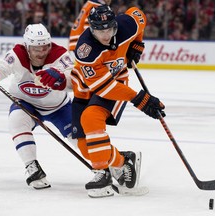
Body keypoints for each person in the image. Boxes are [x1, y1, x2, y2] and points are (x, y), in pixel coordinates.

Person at [70, 5, 165, 197]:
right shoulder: (85, 49)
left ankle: (101, 175)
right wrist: (140, 99)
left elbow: (139, 14)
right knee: (85, 147)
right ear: (91, 29)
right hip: (86, 89)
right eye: (99, 31)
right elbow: (102, 87)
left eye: (109, 30)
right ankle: (124, 162)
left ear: (115, 25)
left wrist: (137, 44)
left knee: (91, 118)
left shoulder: (126, 25)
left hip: (117, 83)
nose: (105, 36)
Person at [0, 23, 75, 189]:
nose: (41, 53)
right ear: (27, 47)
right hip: (26, 103)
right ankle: (32, 167)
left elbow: (73, 77)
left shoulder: (59, 55)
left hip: (59, 107)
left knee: (80, 139)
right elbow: (3, 65)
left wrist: (61, 77)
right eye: (36, 49)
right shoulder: (18, 54)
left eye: (45, 47)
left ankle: (108, 165)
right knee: (16, 120)